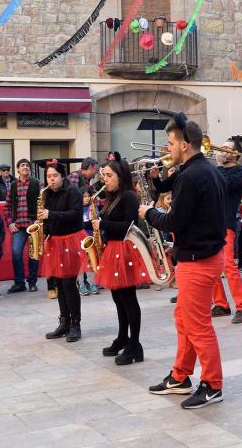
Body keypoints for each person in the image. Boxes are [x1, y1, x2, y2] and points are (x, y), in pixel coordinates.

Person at [142, 114, 227, 410]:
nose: (168, 148)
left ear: (185, 144)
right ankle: (180, 375)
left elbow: (174, 221)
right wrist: (157, 180)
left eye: (171, 143)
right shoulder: (204, 168)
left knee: (198, 324)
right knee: (184, 319)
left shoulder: (193, 175)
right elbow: (170, 184)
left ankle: (213, 384)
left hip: (198, 260)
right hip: (204, 256)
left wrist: (148, 213)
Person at [93, 156, 149, 364]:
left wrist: (103, 224)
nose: (105, 180)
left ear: (120, 176)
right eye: (104, 176)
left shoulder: (128, 196)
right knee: (118, 298)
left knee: (128, 299)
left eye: (109, 176)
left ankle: (135, 345)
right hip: (113, 249)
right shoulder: (112, 196)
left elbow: (129, 225)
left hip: (124, 249)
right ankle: (123, 337)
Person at [36, 160, 88, 342]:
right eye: (48, 176)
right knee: (59, 284)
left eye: (54, 176)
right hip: (55, 241)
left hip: (71, 240)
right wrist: (42, 227)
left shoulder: (73, 191)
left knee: (68, 283)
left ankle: (76, 324)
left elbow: (75, 215)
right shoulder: (46, 194)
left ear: (62, 176)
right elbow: (49, 218)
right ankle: (64, 322)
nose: (51, 180)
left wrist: (51, 214)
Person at [212, 139, 242, 323]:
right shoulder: (217, 169)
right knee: (212, 267)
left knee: (229, 265)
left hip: (226, 222)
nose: (223, 150)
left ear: (235, 154)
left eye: (227, 148)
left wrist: (218, 165)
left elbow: (225, 185)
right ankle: (221, 304)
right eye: (223, 146)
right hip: (211, 222)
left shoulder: (240, 170)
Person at [6, 159, 41, 294]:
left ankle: (32, 283)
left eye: (27, 165)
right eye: (23, 166)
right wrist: (10, 222)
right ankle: (19, 283)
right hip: (19, 226)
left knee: (33, 255)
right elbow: (8, 206)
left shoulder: (37, 184)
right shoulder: (13, 186)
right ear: (18, 169)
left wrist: (39, 221)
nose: (25, 167)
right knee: (16, 252)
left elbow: (42, 204)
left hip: (34, 225)